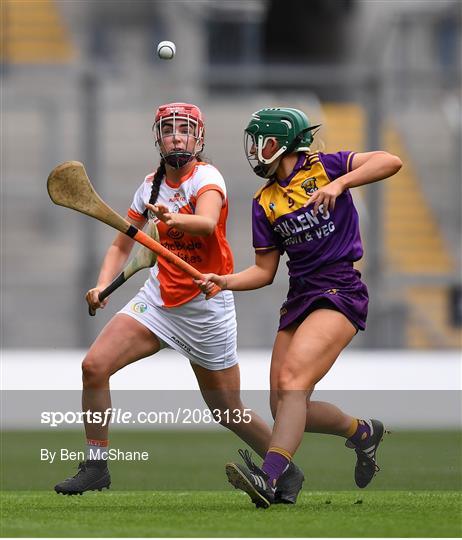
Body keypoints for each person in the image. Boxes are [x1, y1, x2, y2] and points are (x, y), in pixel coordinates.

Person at [54, 102, 304, 503]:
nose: (176, 136)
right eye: (169, 129)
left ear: (198, 138)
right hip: (158, 300)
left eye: (184, 130)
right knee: (94, 366)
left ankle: (286, 472)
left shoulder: (207, 178)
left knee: (227, 411)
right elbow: (123, 243)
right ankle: (95, 467)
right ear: (158, 137)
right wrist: (101, 285)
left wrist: (172, 220)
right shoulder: (148, 187)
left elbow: (206, 221)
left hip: (207, 302)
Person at [197, 107, 402, 508]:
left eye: (261, 142)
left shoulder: (325, 166)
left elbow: (390, 161)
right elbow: (263, 271)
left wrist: (340, 184)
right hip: (299, 297)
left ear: (281, 143)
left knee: (293, 381)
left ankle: (270, 478)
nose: (255, 151)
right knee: (284, 405)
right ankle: (362, 433)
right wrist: (225, 282)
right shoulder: (264, 202)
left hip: (340, 290)